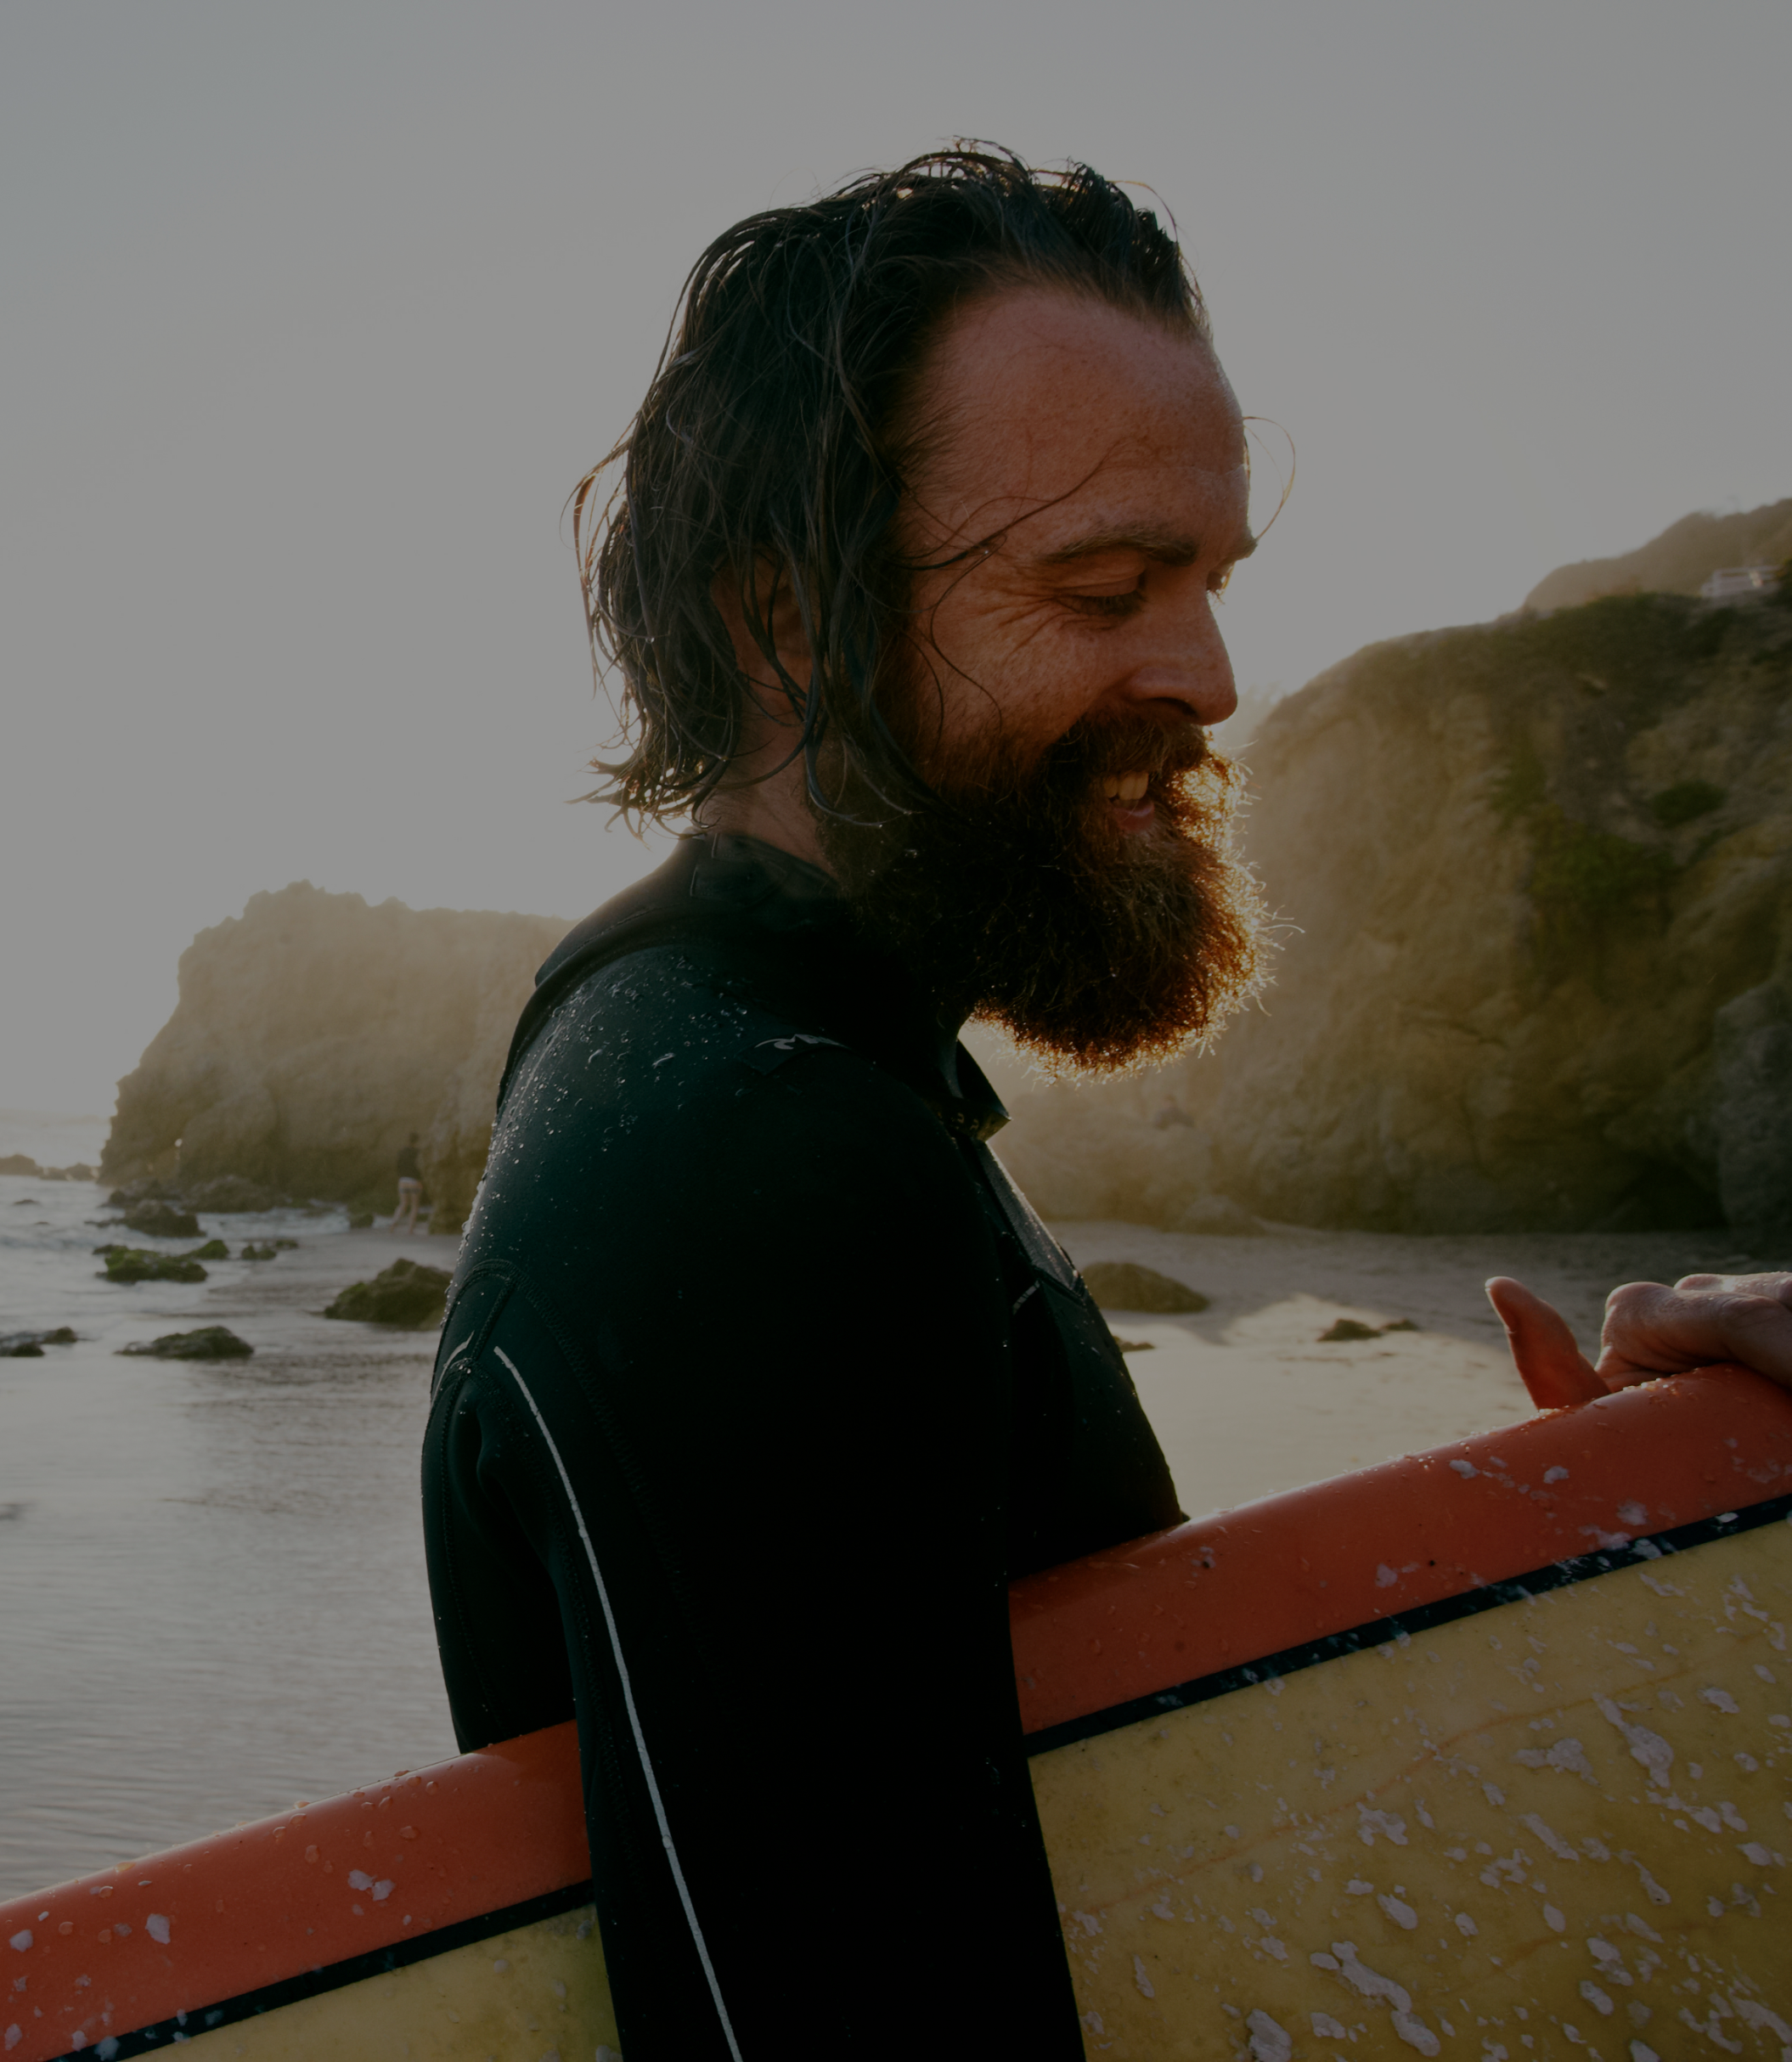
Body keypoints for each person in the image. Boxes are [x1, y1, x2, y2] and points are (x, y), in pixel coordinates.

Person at [417, 147, 1792, 2058]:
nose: (1211, 675)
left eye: (1211, 581)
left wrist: (1576, 1558)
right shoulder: (760, 1161)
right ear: (788, 623)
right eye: (1105, 584)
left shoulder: (728, 1061)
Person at [391, 1132, 425, 1233]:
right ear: (417, 1141)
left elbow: (397, 1166)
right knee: (414, 1206)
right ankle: (410, 1229)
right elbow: (420, 1167)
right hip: (414, 1181)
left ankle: (393, 1224)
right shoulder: (418, 1152)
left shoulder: (401, 1152)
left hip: (402, 1181)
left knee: (403, 1204)